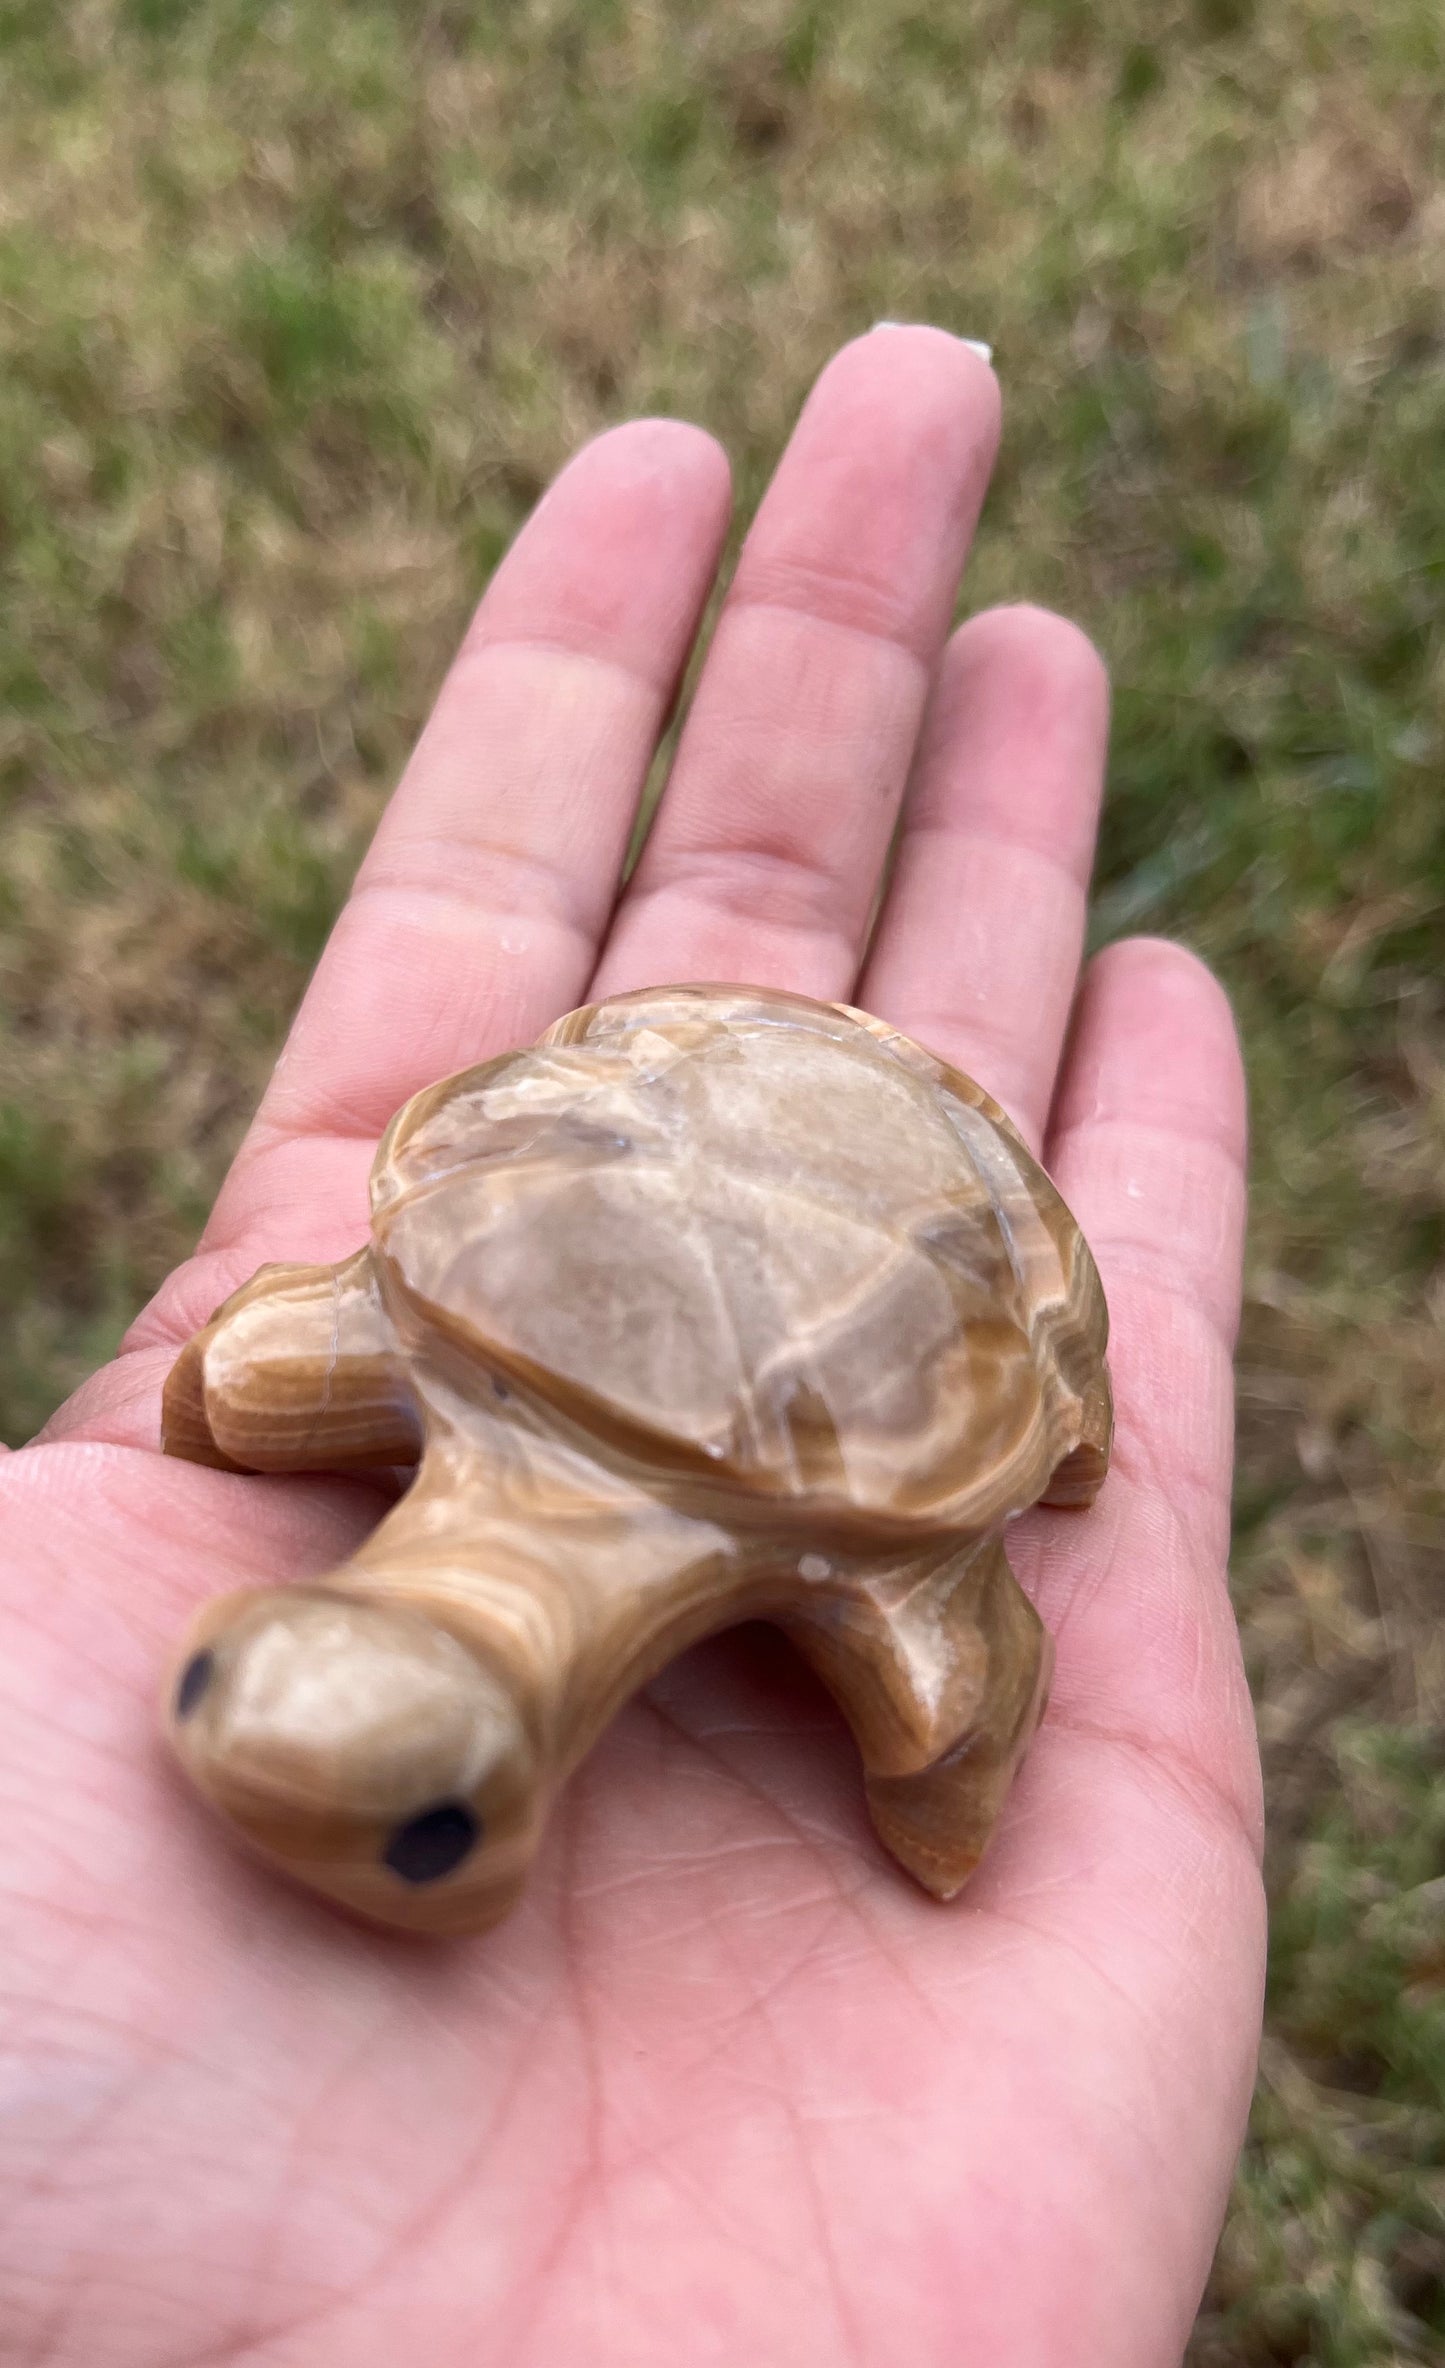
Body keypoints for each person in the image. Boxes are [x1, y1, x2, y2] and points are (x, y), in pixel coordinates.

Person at [0, 327, 1264, 2366]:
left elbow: (224, 1377)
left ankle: (1065, 1391)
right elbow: (950, 1709)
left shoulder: (377, 1334)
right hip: (753, 1254)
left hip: (802, 1222)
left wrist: (1046, 1463)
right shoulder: (814, 1537)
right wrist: (949, 1800)